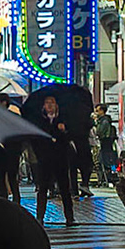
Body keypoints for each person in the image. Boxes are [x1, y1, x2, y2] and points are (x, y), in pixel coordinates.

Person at [31, 96, 75, 227]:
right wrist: (39, 154)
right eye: (47, 103)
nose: (49, 106)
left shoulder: (63, 120)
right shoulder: (40, 120)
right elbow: (36, 139)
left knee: (64, 189)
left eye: (52, 103)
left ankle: (70, 218)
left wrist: (63, 131)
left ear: (56, 105)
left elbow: (70, 138)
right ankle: (40, 217)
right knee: (42, 188)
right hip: (44, 159)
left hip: (60, 159)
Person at [0, 93, 23, 202]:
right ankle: (2, 200)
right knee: (0, 177)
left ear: (4, 103)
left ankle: (16, 200)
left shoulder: (13, 116)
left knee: (11, 178)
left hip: (11, 151)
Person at [93, 106, 118, 185]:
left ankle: (108, 178)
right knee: (105, 160)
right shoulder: (104, 120)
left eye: (97, 111)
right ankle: (106, 178)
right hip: (106, 144)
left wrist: (95, 123)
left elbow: (99, 132)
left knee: (105, 160)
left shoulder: (104, 121)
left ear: (102, 111)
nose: (96, 113)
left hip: (105, 143)